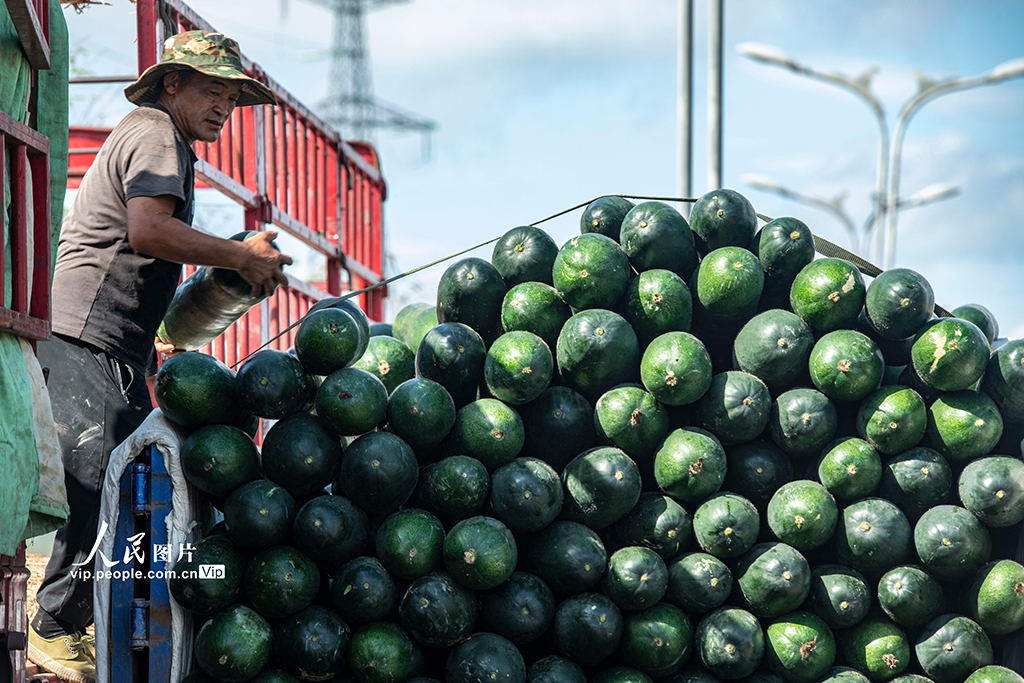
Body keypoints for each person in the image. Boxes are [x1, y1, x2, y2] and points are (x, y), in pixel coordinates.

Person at [28, 30, 292, 683]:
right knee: (96, 481)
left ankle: (71, 622)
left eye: (232, 99)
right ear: (172, 83)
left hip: (114, 341)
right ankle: (53, 628)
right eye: (213, 91)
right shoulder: (155, 132)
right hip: (86, 333)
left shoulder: (162, 138)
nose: (223, 108)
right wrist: (239, 256)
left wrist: (157, 337)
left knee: (114, 476)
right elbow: (148, 230)